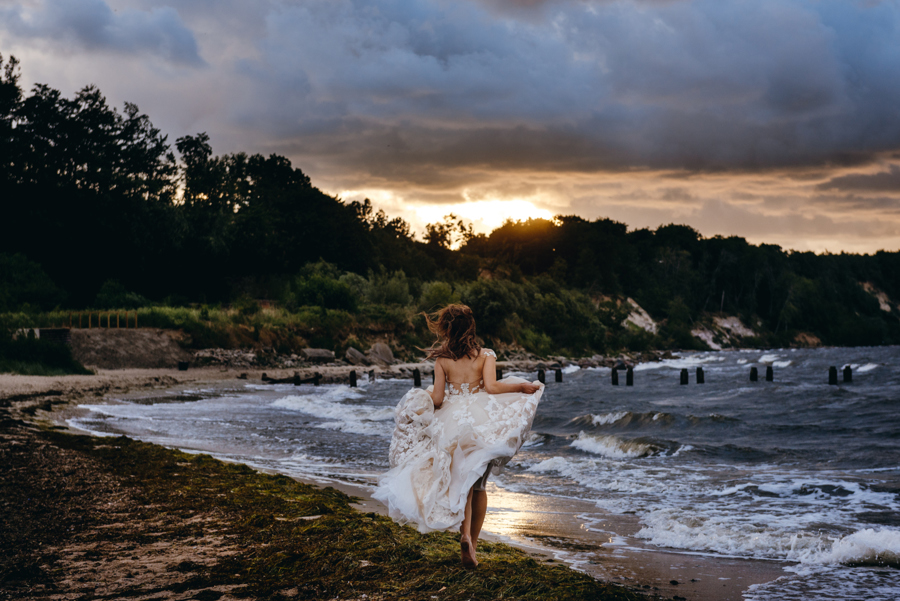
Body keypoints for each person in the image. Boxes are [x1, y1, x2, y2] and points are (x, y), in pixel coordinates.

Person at [373, 304, 543, 569]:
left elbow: (439, 399)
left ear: (447, 329)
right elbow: (493, 387)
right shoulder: (486, 355)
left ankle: (463, 535)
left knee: (460, 479)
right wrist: (521, 386)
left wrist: (421, 398)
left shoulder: (442, 360)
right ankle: (472, 544)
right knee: (479, 484)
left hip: (451, 422)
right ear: (471, 327)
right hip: (479, 421)